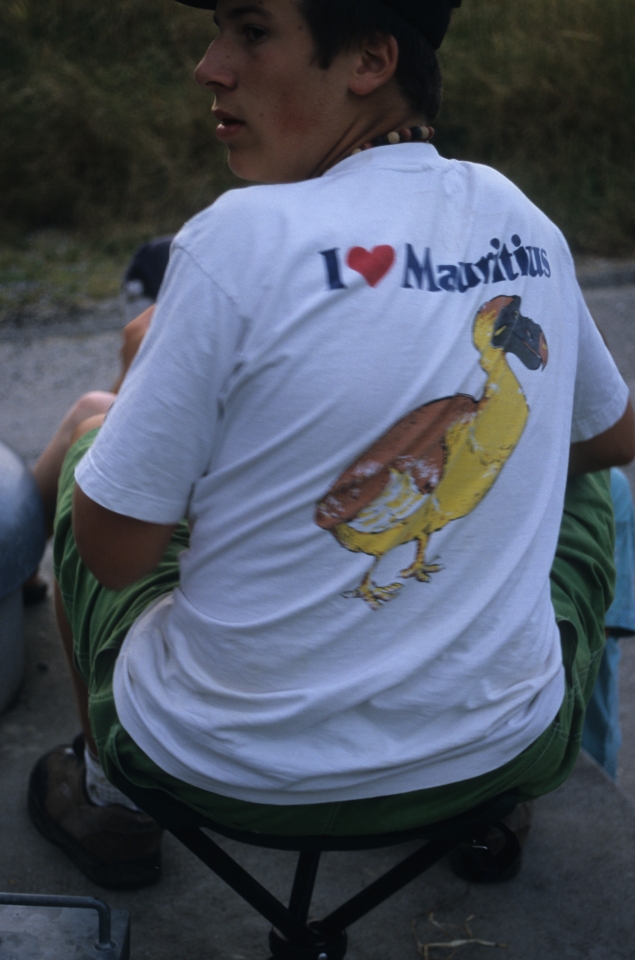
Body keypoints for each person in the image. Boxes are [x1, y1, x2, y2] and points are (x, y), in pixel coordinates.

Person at [28, 0, 635, 891]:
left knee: (95, 445)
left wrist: (159, 428)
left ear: (369, 61)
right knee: (593, 483)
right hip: (496, 755)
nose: (209, 66)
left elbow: (116, 557)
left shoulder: (236, 237)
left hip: (216, 773)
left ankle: (111, 800)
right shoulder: (521, 219)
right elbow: (611, 433)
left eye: (251, 31)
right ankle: (492, 799)